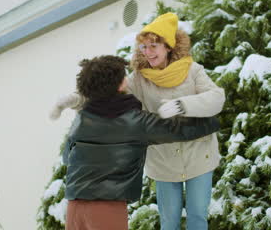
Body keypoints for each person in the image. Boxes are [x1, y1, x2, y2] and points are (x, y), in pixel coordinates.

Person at [52, 13, 225, 230]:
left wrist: (184, 105)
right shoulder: (139, 79)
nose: (148, 52)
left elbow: (217, 98)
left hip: (199, 155)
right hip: (163, 162)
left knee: (198, 216)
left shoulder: (192, 70)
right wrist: (77, 99)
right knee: (169, 221)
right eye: (143, 47)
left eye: (153, 46)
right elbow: (108, 92)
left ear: (169, 46)